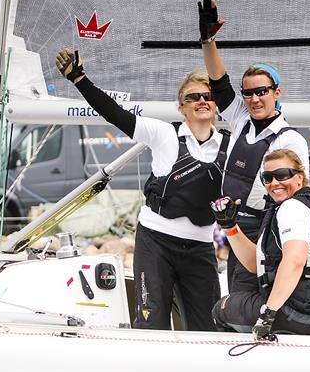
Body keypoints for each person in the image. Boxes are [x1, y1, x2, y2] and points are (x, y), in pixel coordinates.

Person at [55, 49, 229, 331]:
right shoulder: (163, 134)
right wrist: (79, 79)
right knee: (151, 323)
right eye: (192, 97)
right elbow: (115, 114)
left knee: (208, 329)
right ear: (181, 108)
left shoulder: (230, 147)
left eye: (207, 96)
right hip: (156, 243)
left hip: (199, 247)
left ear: (216, 104)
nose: (201, 101)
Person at [197, 0, 310, 294]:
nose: (254, 99)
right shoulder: (240, 118)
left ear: (276, 92)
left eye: (262, 91)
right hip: (232, 227)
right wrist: (207, 40)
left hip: (264, 230)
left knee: (249, 300)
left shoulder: (290, 139)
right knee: (235, 298)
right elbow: (219, 81)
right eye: (248, 94)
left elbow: (299, 195)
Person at [210, 149, 310, 338]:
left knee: (221, 309)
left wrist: (268, 313)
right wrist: (230, 226)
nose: (274, 183)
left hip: (295, 311)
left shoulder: (292, 207)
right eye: (267, 177)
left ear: (300, 177)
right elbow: (253, 264)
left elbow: (295, 260)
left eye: (282, 175)